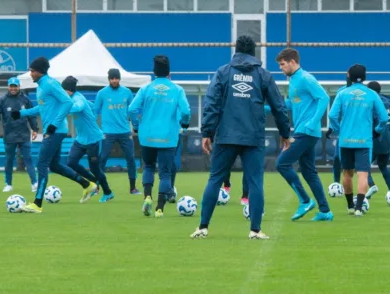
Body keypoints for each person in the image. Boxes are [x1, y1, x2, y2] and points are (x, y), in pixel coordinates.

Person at [190, 36, 291, 240]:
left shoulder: (223, 72)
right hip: (253, 137)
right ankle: (255, 230)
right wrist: (285, 133)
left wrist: (207, 132)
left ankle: (203, 227)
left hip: (226, 135)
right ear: (254, 52)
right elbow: (278, 107)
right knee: (255, 183)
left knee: (215, 179)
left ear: (236, 51)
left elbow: (211, 103)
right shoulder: (263, 75)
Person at [11, 57, 98, 213]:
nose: (30, 74)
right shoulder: (41, 87)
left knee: (41, 164)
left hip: (55, 131)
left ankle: (37, 204)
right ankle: (88, 185)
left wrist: (54, 124)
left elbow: (67, 102)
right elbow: (42, 108)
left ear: (39, 71)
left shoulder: (51, 84)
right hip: (54, 130)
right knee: (54, 165)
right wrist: (22, 113)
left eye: (32, 71)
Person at [128, 55, 191, 218]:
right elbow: (185, 111)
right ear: (169, 71)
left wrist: (136, 125)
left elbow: (132, 109)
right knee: (165, 173)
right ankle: (159, 209)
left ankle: (147, 196)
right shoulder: (177, 90)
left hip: (147, 136)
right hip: (168, 138)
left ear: (154, 71)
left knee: (148, 166)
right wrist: (184, 124)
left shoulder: (146, 89)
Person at [275, 48, 333, 221]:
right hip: (303, 131)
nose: (280, 68)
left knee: (282, 164)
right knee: (309, 172)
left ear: (292, 62)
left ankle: (305, 200)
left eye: (282, 64)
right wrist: (265, 108)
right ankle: (325, 211)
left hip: (306, 132)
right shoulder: (293, 80)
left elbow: (324, 98)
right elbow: (291, 105)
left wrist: (313, 122)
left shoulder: (306, 78)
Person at [328, 64, 388, 216]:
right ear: (365, 77)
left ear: (349, 76)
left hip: (345, 141)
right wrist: (377, 131)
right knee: (363, 174)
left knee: (347, 173)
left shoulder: (342, 94)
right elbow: (384, 118)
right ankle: (359, 208)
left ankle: (349, 206)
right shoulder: (372, 94)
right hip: (364, 141)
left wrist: (339, 130)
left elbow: (332, 116)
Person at [62, 76, 114, 203]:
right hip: (80, 139)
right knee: (71, 162)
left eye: (63, 90)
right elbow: (89, 105)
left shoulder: (77, 98)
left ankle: (108, 193)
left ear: (68, 90)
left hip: (93, 139)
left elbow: (79, 107)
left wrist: (63, 108)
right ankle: (94, 182)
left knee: (95, 168)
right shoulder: (75, 98)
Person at [94, 68, 140, 195]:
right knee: (102, 159)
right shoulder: (102, 93)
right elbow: (95, 111)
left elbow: (133, 110)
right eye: (112, 78)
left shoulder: (127, 92)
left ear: (119, 79)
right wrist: (93, 128)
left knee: (130, 158)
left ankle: (133, 188)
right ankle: (97, 187)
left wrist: (135, 124)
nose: (114, 80)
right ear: (109, 79)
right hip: (108, 132)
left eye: (116, 78)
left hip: (125, 131)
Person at [0, 76, 39, 193]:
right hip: (9, 135)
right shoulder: (2, 100)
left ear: (19, 86)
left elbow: (31, 115)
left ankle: (34, 183)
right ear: (8, 87)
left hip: (24, 134)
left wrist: (35, 129)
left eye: (15, 86)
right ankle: (8, 184)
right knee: (9, 160)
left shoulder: (25, 99)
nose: (13, 88)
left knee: (28, 159)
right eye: (11, 86)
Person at [365, 80, 390, 199]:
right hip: (387, 140)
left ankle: (371, 185)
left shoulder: (371, 101)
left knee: (362, 165)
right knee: (383, 166)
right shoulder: (388, 103)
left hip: (374, 137)